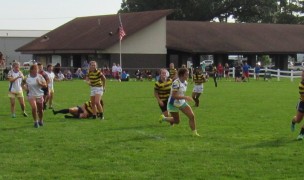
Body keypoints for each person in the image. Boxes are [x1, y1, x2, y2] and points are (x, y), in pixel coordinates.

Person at [159, 68, 200, 137]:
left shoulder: (185, 82)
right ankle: (163, 118)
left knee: (192, 116)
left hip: (181, 102)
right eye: (187, 74)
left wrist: (184, 98)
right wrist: (185, 97)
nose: (188, 75)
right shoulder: (176, 83)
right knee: (177, 121)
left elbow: (181, 94)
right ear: (181, 75)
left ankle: (194, 133)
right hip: (173, 104)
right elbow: (174, 95)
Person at [291, 71, 304, 140]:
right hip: (302, 102)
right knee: (298, 120)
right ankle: (293, 121)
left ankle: (301, 133)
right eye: (303, 76)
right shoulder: (301, 85)